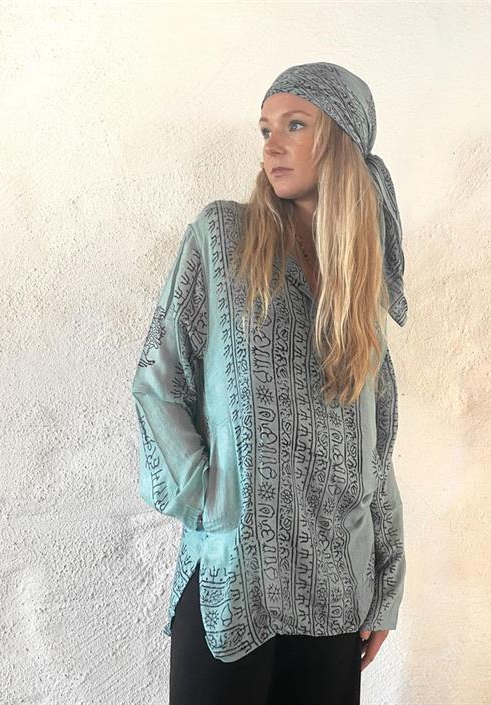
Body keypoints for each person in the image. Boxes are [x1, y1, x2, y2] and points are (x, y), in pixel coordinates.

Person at [131, 61, 409, 705]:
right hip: (233, 580)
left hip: (335, 587)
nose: (272, 145)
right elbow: (157, 381)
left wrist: (387, 585)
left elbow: (377, 450)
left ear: (343, 140)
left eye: (294, 125)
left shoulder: (359, 284)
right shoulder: (223, 237)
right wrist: (212, 500)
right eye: (265, 129)